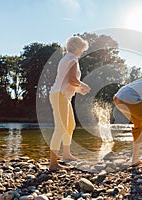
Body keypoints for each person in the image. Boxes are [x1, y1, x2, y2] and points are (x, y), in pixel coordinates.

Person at [49, 36, 91, 170]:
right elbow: (72, 79)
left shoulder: (66, 58)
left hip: (62, 95)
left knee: (70, 125)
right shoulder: (73, 59)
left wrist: (79, 90)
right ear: (77, 47)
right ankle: (53, 164)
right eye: (82, 49)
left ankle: (66, 154)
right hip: (60, 96)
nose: (82, 52)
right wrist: (85, 86)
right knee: (61, 128)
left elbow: (67, 81)